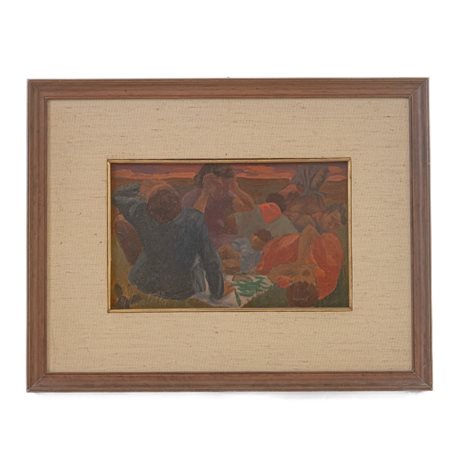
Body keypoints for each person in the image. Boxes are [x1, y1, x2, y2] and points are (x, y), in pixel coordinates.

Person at [112, 182, 224, 301]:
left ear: (149, 207)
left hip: (143, 284)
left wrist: (139, 186)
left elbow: (116, 196)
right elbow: (210, 260)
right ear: (178, 205)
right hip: (182, 290)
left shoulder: (141, 212)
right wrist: (217, 293)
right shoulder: (194, 219)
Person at [256, 204, 346, 304]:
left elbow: (272, 274)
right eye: (332, 219)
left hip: (277, 246)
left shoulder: (293, 283)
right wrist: (301, 262)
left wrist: (292, 268)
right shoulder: (328, 248)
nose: (332, 225)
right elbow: (309, 230)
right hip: (289, 238)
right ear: (325, 213)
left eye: (336, 225)